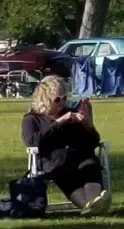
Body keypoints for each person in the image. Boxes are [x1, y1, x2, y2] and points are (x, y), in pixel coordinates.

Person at [15, 77, 109, 212]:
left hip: (79, 155)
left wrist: (88, 126)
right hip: (53, 161)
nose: (62, 103)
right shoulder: (32, 119)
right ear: (45, 99)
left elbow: (92, 142)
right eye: (57, 99)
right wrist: (59, 122)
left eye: (64, 98)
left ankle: (93, 203)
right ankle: (87, 206)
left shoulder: (71, 114)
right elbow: (33, 142)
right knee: (63, 171)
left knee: (90, 164)